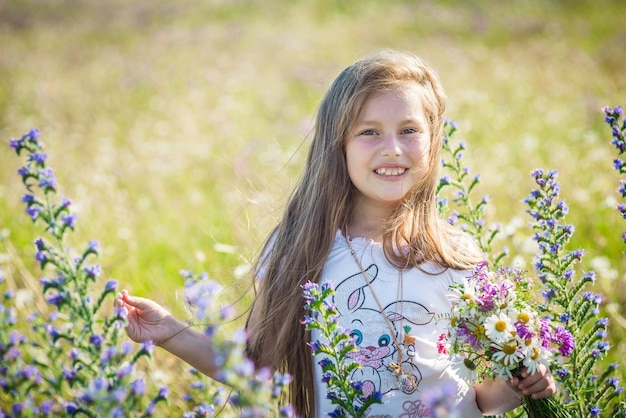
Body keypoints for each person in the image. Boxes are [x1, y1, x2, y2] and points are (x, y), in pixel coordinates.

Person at [115, 49, 556, 417]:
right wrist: (169, 333)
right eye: (369, 132)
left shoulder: (456, 254)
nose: (392, 149)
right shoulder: (301, 251)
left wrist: (517, 385)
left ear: (433, 140)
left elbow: (476, 396)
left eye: (409, 130)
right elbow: (252, 365)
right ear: (338, 144)